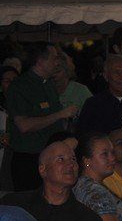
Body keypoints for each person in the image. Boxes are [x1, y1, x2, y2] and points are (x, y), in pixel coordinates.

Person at [6, 42, 77, 191]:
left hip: (50, 157)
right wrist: (60, 115)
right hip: (28, 158)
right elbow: (23, 125)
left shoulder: (48, 84)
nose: (57, 62)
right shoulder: (21, 85)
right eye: (54, 58)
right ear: (40, 61)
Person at [0, 141, 103, 221]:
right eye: (61, 159)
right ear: (42, 169)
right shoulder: (14, 204)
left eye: (73, 159)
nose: (71, 164)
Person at [51, 51, 92, 118]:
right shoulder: (46, 89)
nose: (54, 74)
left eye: (58, 70)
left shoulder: (81, 91)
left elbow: (94, 113)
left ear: (66, 70)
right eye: (52, 70)